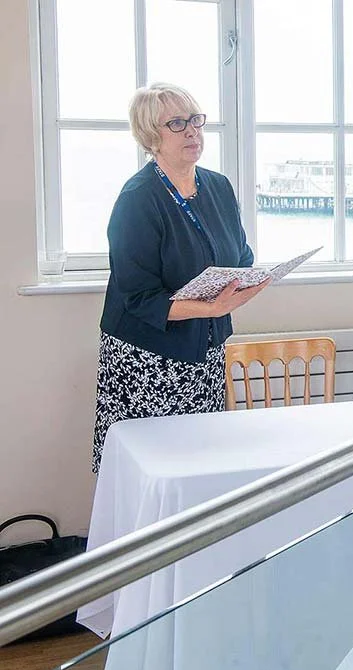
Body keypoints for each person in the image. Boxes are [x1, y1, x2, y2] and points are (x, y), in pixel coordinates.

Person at [92, 83, 268, 473]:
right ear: (151, 137)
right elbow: (137, 297)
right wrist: (213, 305)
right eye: (176, 124)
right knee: (155, 470)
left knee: (203, 464)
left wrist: (246, 282)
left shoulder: (218, 186)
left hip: (206, 349)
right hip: (149, 358)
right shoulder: (138, 198)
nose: (192, 131)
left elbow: (239, 256)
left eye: (195, 120)